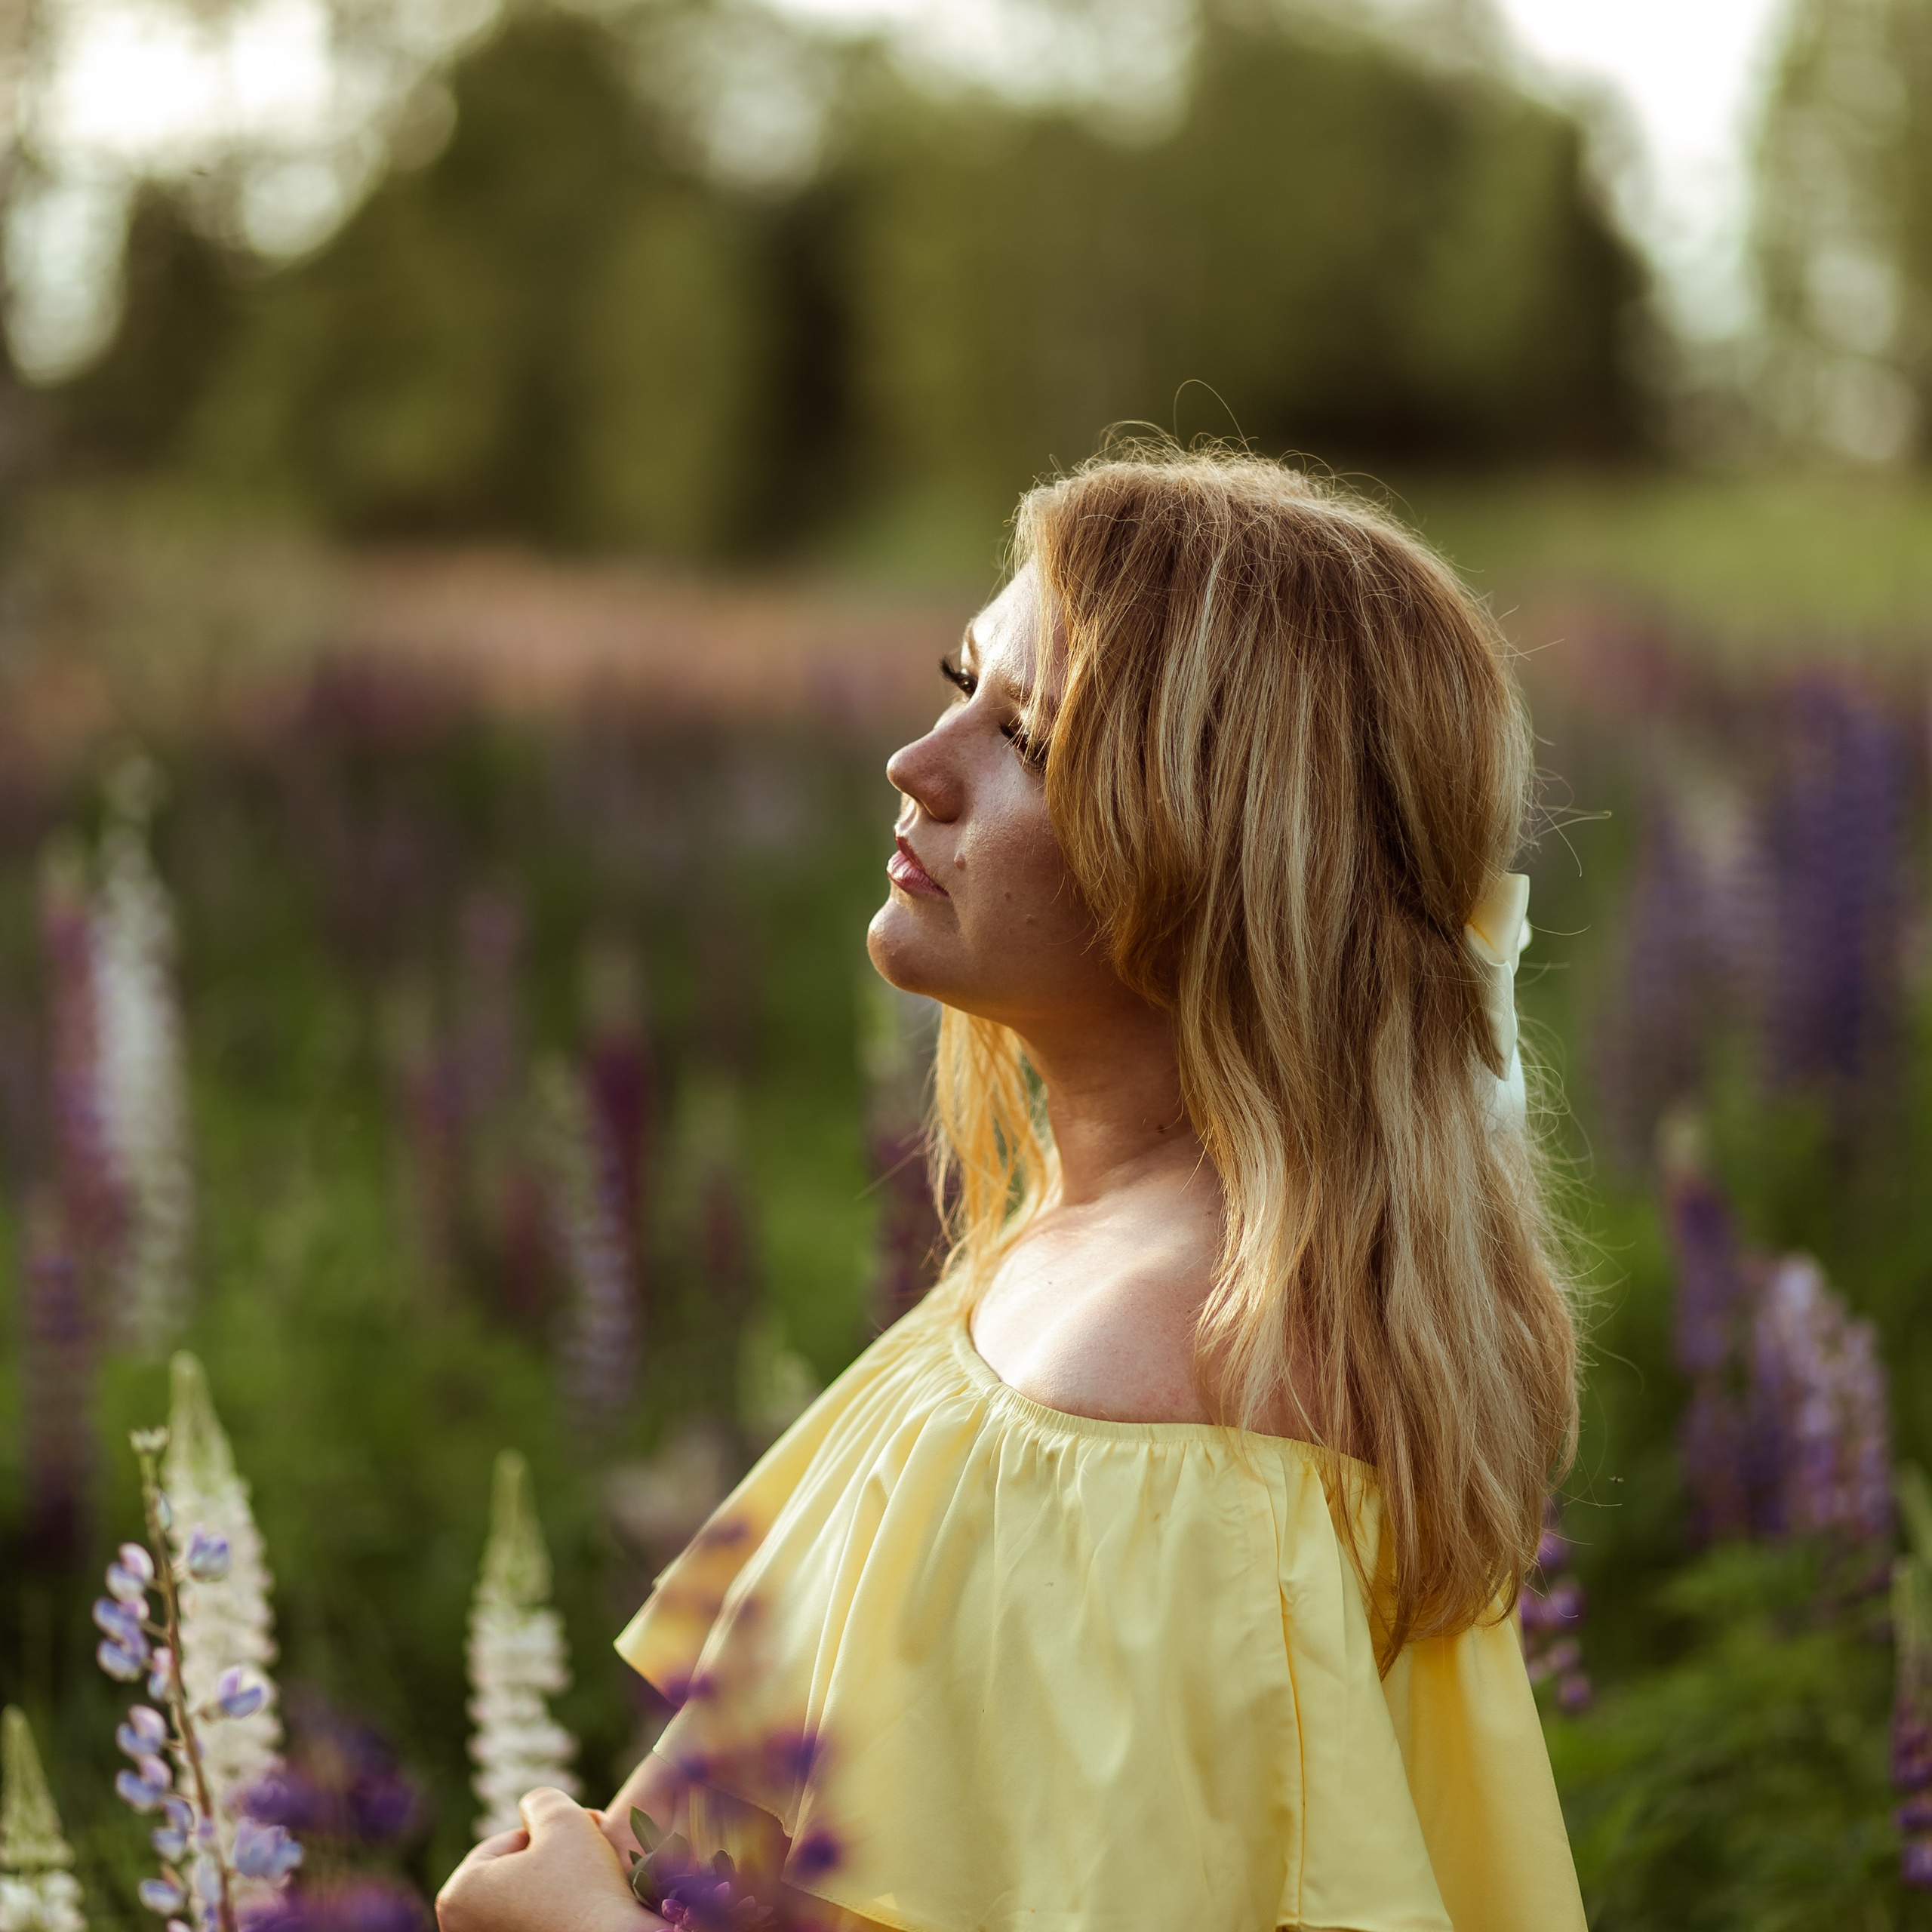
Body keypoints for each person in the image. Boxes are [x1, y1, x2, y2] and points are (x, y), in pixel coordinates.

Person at [438, 448, 1586, 1932]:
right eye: (956, 679)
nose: (918, 761)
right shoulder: (1084, 1250)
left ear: (1215, 858)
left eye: (1029, 738)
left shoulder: (1145, 1383)